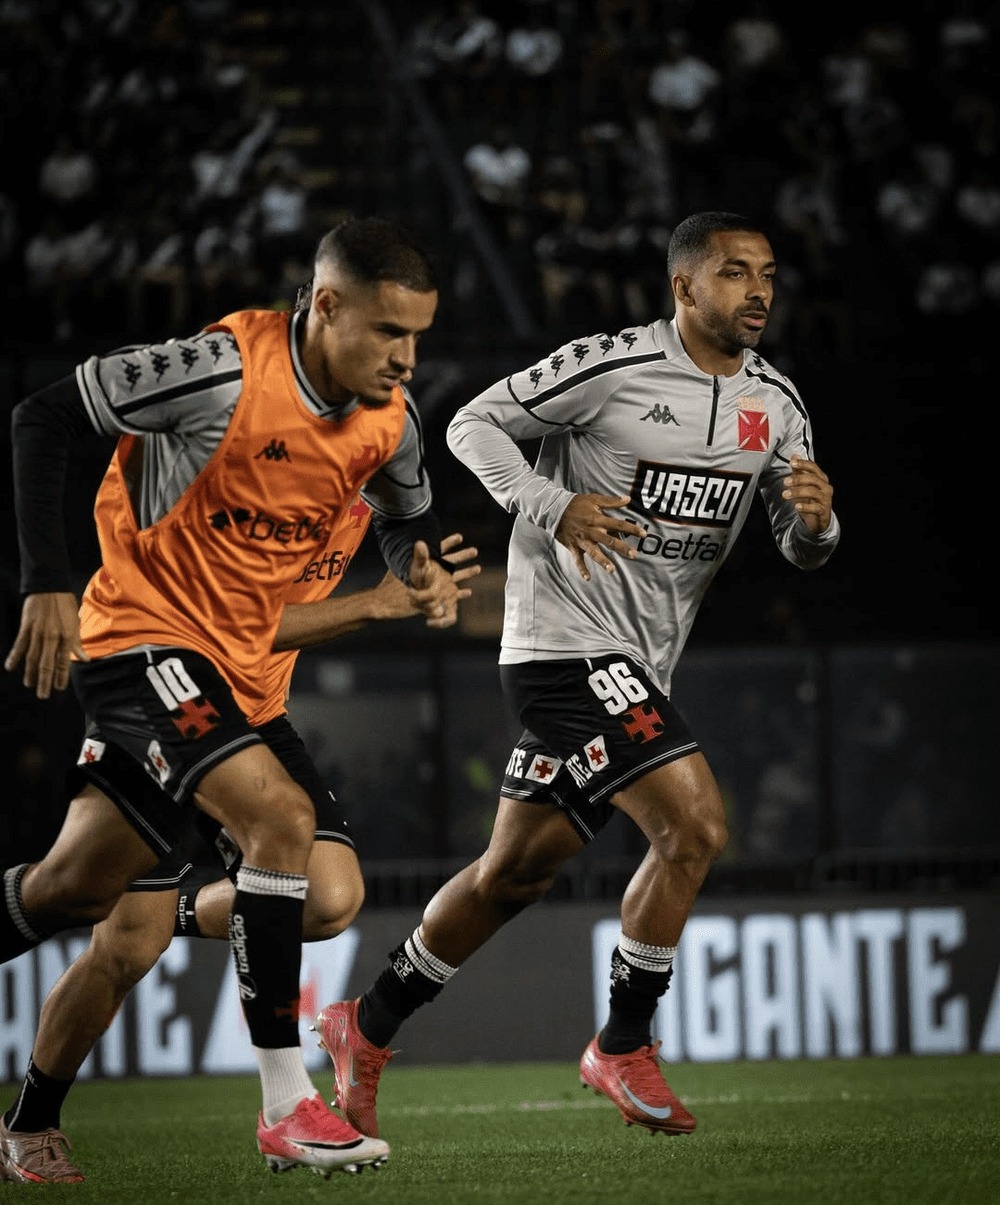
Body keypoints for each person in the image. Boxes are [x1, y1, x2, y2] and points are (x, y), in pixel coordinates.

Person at [311, 211, 840, 1139]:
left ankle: (368, 1022)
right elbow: (475, 424)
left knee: (516, 871)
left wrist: (817, 522)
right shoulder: (612, 367)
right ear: (683, 287)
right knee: (696, 825)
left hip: (642, 666)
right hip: (560, 647)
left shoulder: (779, 404)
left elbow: (799, 550)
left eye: (767, 274)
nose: (758, 291)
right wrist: (550, 505)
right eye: (734, 273)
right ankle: (624, 1043)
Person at [0, 216, 466, 1177]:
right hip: (143, 641)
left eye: (418, 335)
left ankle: (27, 1120)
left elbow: (408, 519)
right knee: (279, 820)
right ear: (325, 305)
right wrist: (46, 577)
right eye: (389, 332)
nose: (407, 358)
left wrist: (415, 573)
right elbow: (43, 417)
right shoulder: (220, 373)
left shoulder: (388, 427)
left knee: (112, 899)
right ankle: (287, 1104)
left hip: (240, 690)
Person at [0, 518, 478, 1184]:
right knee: (107, 924)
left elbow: (403, 508)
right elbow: (220, 622)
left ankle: (189, 939)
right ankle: (33, 1122)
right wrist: (376, 602)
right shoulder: (254, 447)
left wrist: (414, 565)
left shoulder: (371, 440)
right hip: (158, 683)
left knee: (328, 896)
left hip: (253, 711)